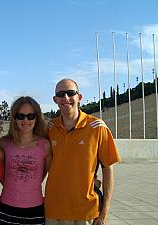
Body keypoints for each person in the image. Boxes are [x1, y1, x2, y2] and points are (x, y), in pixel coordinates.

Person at [45, 79, 121, 225]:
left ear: (79, 97)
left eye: (70, 93)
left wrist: (104, 212)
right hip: (53, 210)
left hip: (86, 212)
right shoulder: (49, 128)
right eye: (61, 94)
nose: (66, 98)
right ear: (55, 100)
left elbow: (108, 170)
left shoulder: (98, 127)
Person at [0, 96, 52, 225]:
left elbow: (50, 175)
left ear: (36, 118)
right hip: (6, 208)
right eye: (21, 116)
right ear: (14, 118)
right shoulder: (4, 143)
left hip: (35, 210)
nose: (26, 120)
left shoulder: (45, 145)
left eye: (30, 116)